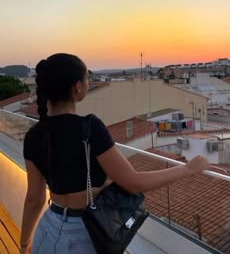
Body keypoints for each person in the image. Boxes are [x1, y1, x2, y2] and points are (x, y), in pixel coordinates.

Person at [21, 53, 209, 254]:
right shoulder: (89, 127)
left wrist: (24, 244)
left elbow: (35, 198)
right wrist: (188, 169)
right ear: (77, 87)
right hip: (83, 234)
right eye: (86, 79)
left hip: (48, 228)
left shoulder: (34, 134)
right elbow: (133, 182)